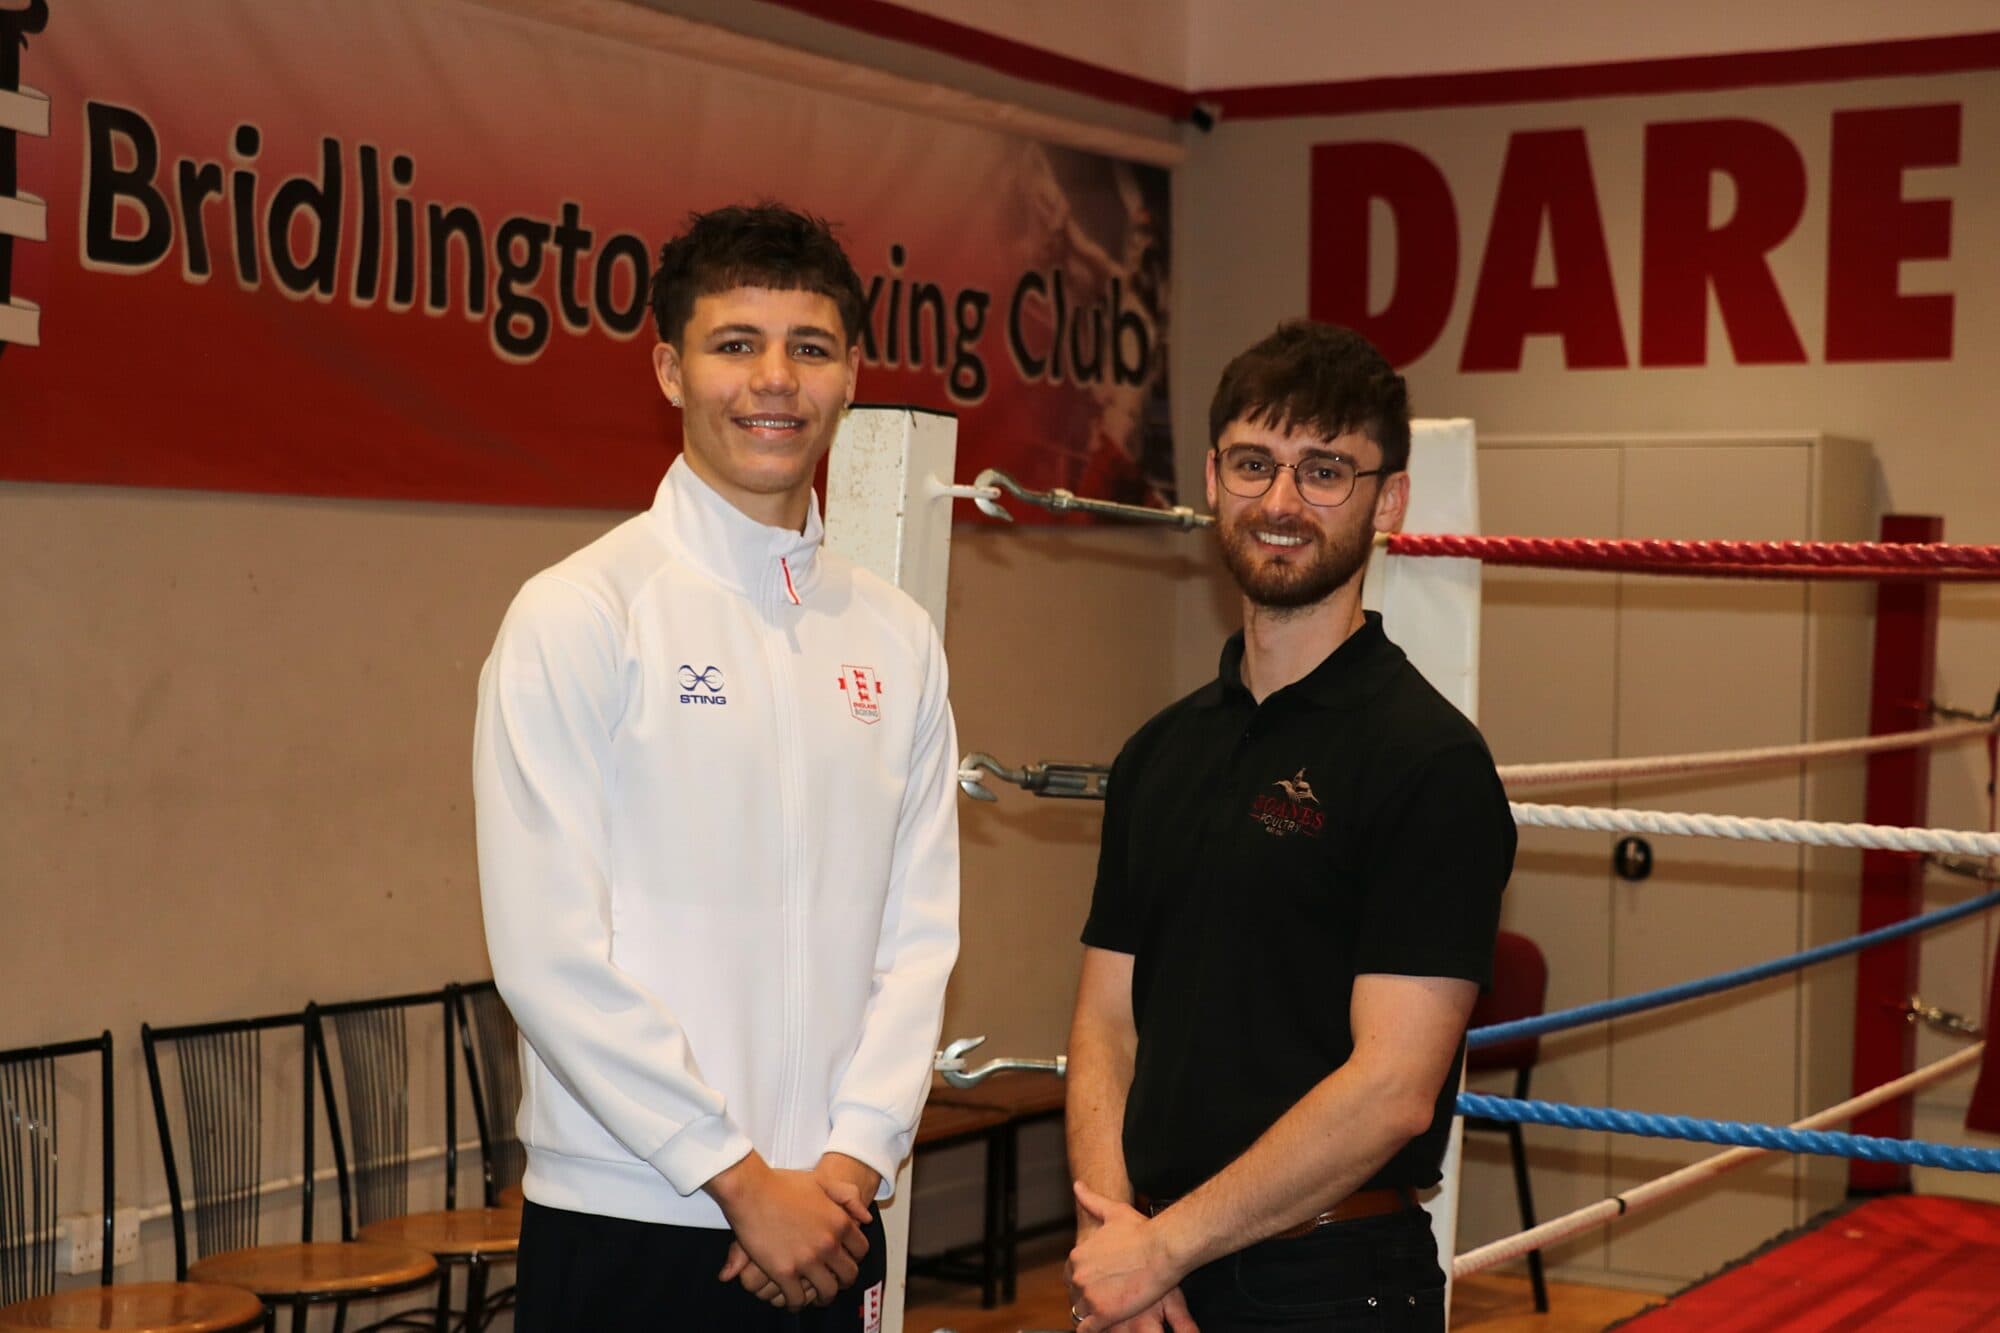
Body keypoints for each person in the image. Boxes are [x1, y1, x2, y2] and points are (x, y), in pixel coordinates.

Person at [474, 202, 960, 1331]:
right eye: (734, 343)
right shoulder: (580, 615)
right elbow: (548, 956)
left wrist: (848, 1165)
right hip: (632, 1213)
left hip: (834, 1220)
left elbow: (919, 935)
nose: (773, 381)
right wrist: (737, 1178)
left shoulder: (894, 636)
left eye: (810, 346)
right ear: (668, 369)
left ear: (850, 376)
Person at [1063, 321, 1515, 1333]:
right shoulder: (1157, 752)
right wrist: (1116, 1233)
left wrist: (1161, 1247)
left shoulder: (1426, 763)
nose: (1279, 503)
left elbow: (1393, 1088)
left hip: (1327, 1278)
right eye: (1253, 465)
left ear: (1386, 500)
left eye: (1323, 472)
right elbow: (1103, 1023)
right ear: (1214, 477)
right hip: (1150, 1274)